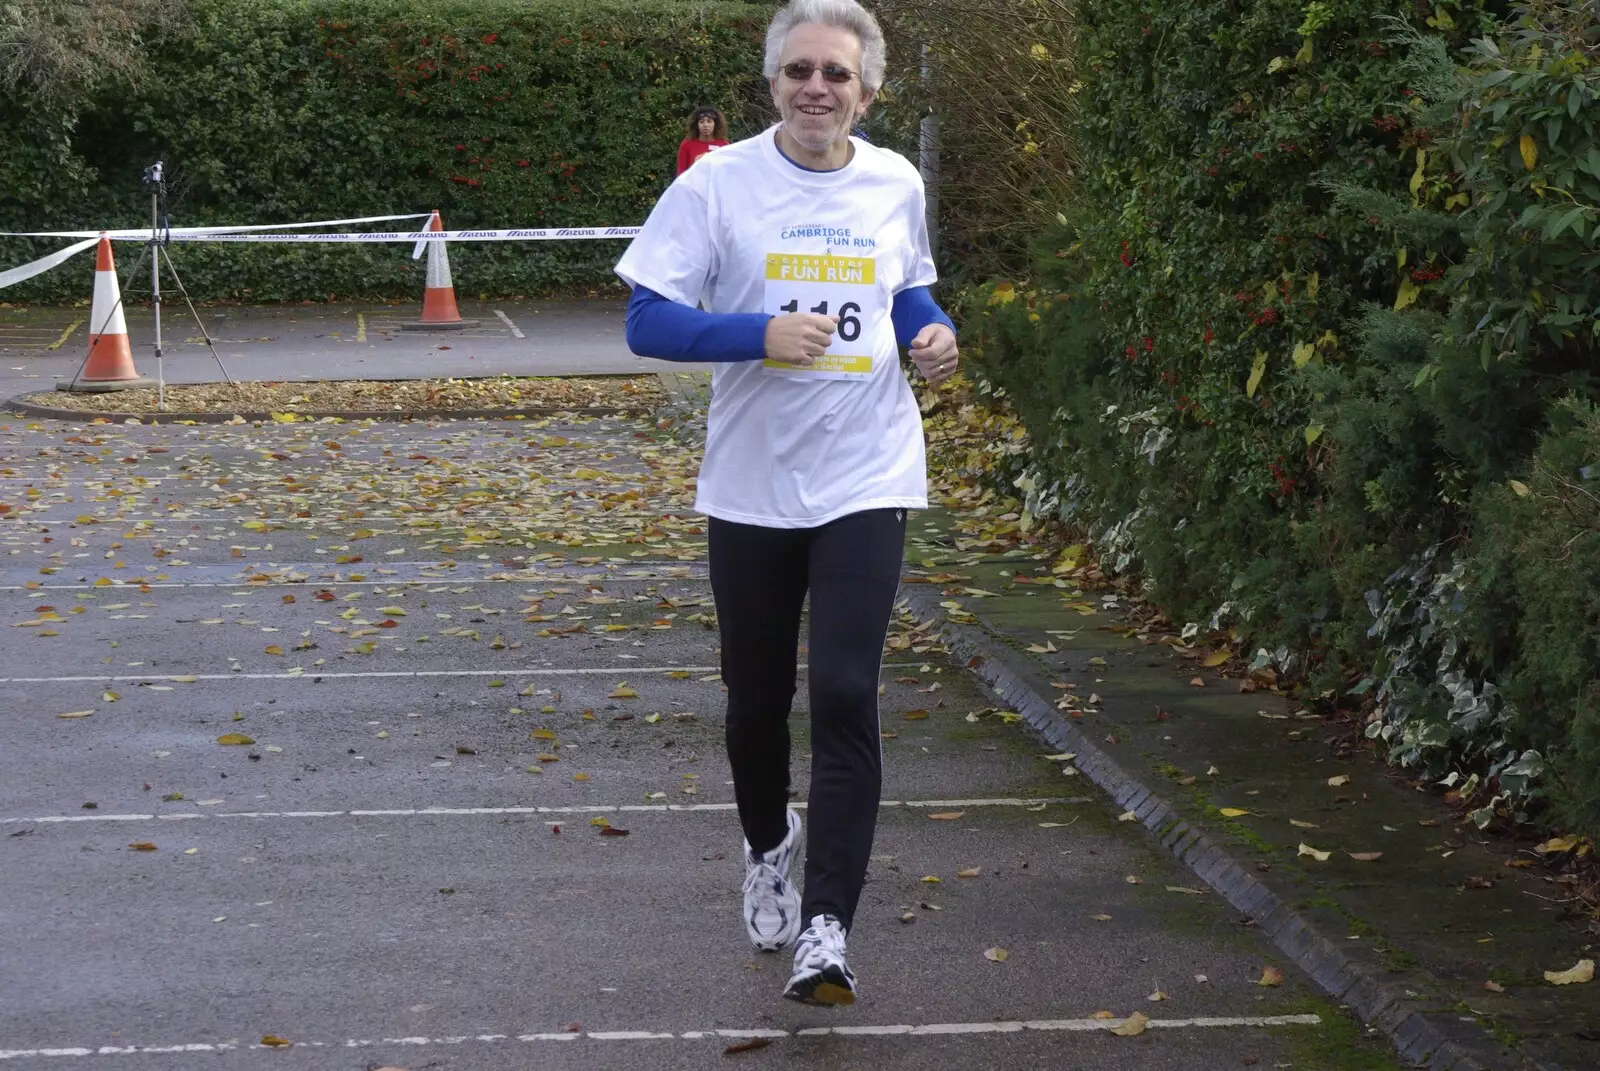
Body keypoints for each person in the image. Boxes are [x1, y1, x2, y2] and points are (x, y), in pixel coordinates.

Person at [614, 0, 959, 1008]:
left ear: (868, 90)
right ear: (771, 84)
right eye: (798, 71)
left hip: (867, 472)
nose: (817, 89)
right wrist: (754, 335)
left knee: (846, 694)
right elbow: (646, 322)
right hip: (754, 485)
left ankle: (826, 929)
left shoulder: (894, 180)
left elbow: (907, 291)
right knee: (756, 706)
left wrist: (932, 334)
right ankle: (768, 845)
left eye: (836, 75)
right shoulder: (717, 184)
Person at [676, 106, 730, 175]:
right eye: (701, 122)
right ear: (697, 125)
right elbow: (681, 173)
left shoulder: (724, 144)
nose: (705, 125)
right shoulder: (687, 144)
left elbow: (727, 171)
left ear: (715, 124)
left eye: (709, 121)